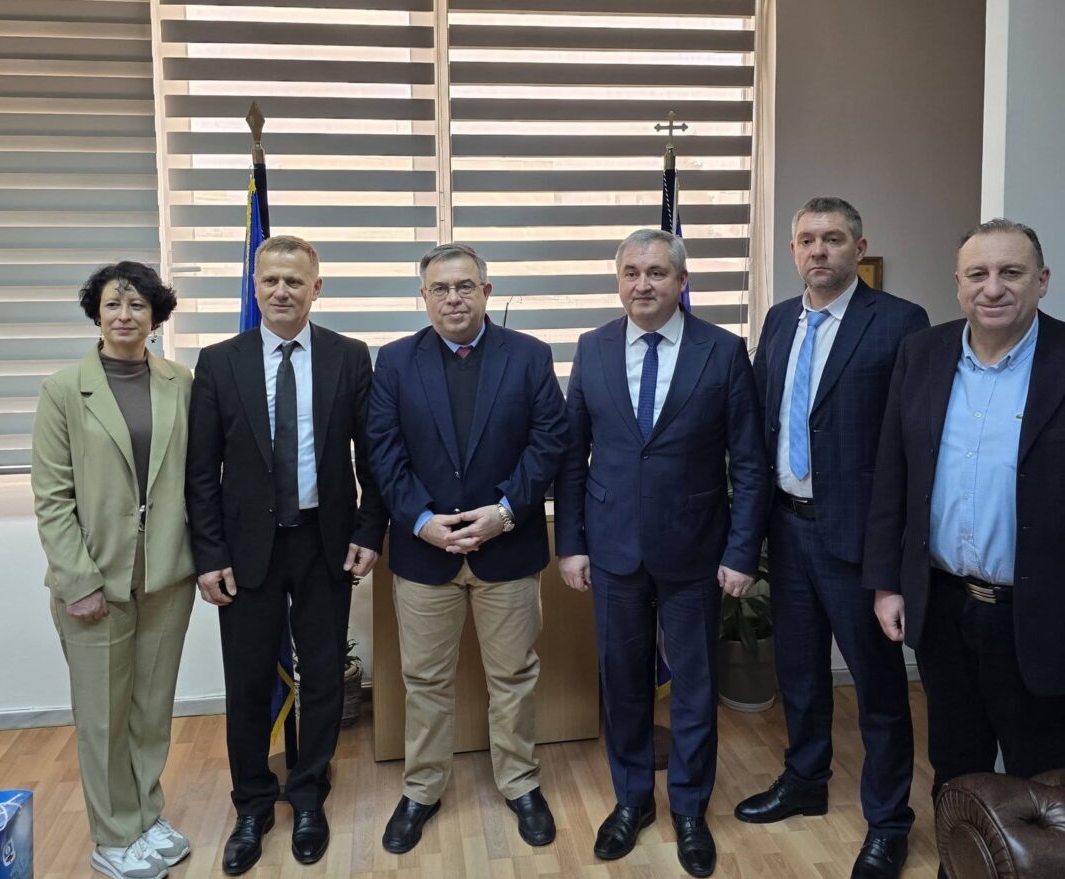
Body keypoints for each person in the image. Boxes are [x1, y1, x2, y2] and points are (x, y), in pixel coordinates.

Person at [554, 228, 770, 878]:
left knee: (695, 687)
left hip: (696, 552)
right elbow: (572, 457)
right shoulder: (593, 348)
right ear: (618, 280)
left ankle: (690, 810)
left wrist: (742, 551)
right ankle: (631, 802)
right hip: (612, 550)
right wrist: (571, 544)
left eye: (656, 273)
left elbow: (749, 462)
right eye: (631, 273)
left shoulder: (721, 351)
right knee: (622, 683)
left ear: (681, 281)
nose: (642, 284)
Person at [185, 235, 388, 875]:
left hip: (325, 541)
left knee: (323, 674)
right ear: (255, 285)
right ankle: (251, 804)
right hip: (247, 550)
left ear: (315, 288)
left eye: (294, 281)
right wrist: (209, 554)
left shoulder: (349, 357)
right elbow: (200, 472)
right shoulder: (219, 362)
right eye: (270, 280)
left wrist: (369, 531)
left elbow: (372, 458)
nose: (281, 291)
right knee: (248, 679)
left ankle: (307, 795)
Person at [740, 197, 929, 879]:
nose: (818, 250)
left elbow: (910, 444)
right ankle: (806, 778)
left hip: (857, 539)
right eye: (807, 240)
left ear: (859, 247)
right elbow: (760, 420)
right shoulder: (779, 319)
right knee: (799, 672)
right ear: (793, 249)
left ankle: (888, 821)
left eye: (833, 239)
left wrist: (892, 556)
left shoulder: (899, 322)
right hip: (787, 530)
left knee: (877, 688)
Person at [367, 243, 567, 855]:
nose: (452, 298)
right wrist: (421, 520)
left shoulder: (529, 355)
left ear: (485, 291)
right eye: (440, 288)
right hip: (425, 555)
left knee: (513, 676)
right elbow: (382, 452)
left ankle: (520, 782)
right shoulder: (394, 361)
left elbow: (549, 442)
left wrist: (504, 513)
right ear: (423, 297)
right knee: (425, 680)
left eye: (464, 286)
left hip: (507, 548)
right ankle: (422, 789)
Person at [864, 219, 1065, 809]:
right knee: (955, 764)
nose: (992, 288)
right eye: (978, 274)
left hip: (1039, 613)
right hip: (943, 605)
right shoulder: (922, 353)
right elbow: (893, 475)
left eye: (1011, 273)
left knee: (1043, 779)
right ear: (958, 284)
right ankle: (962, 854)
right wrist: (888, 584)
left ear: (1042, 280)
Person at [32, 262, 195, 879]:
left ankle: (146, 817)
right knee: (103, 717)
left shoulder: (180, 382)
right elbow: (52, 497)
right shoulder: (63, 390)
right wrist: (78, 581)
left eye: (137, 305)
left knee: (151, 710)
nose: (125, 316)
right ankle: (113, 834)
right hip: (94, 578)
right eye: (112, 305)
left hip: (166, 575)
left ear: (156, 316)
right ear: (96, 314)